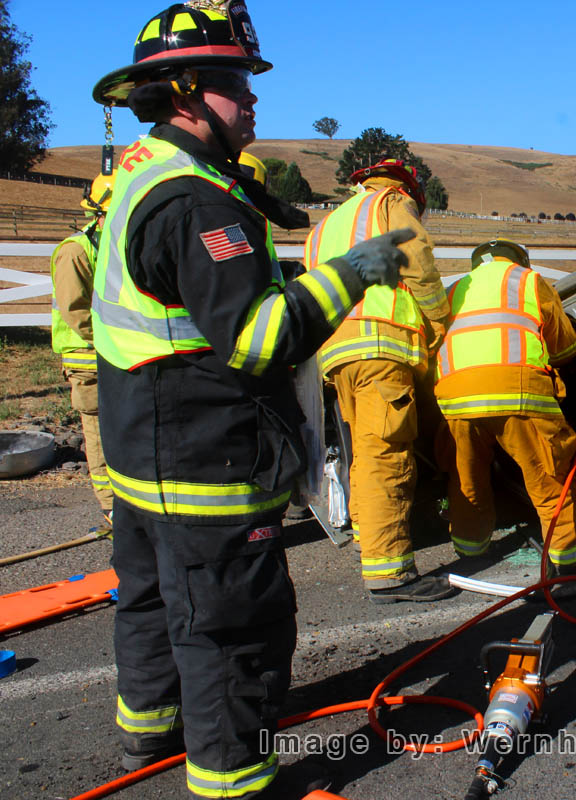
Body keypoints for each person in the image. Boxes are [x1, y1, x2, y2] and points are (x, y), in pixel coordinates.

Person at [91, 3, 413, 796]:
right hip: (205, 455)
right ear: (188, 92)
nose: (253, 100)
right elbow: (262, 340)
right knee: (235, 634)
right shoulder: (197, 203)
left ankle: (150, 738)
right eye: (237, 82)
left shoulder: (144, 174)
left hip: (144, 449)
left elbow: (195, 305)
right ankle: (235, 782)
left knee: (153, 603)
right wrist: (349, 278)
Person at [304, 157, 454, 603]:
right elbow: (417, 260)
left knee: (364, 452)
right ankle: (390, 572)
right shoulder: (391, 203)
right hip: (379, 345)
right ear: (409, 188)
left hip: (336, 351)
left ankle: (372, 545)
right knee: (386, 454)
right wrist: (439, 319)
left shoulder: (325, 225)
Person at [434, 238, 576, 575]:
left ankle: (470, 548)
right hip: (517, 393)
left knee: (466, 478)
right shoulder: (527, 281)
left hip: (455, 398)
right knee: (548, 474)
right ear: (519, 260)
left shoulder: (454, 291)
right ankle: (572, 555)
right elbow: (565, 347)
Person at [50, 174, 115, 525]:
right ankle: (111, 508)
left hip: (119, 357)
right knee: (99, 436)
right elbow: (75, 311)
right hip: (88, 361)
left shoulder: (117, 244)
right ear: (100, 212)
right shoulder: (76, 250)